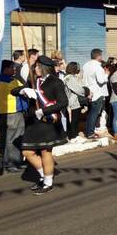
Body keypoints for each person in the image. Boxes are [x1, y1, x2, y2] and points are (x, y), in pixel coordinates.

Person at [18, 56, 69, 195]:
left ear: (44, 67)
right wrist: (22, 91)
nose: (35, 69)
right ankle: (43, 176)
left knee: (45, 152)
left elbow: (63, 102)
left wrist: (43, 111)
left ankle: (48, 182)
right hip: (33, 122)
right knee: (27, 152)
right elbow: (15, 90)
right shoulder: (34, 81)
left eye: (37, 66)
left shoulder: (55, 82)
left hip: (48, 122)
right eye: (35, 66)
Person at [0, 60, 27, 173]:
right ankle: (10, 163)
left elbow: (23, 87)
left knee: (17, 137)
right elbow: (20, 90)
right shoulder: (3, 82)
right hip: (10, 113)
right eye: (12, 67)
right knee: (11, 139)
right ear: (5, 69)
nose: (14, 69)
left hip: (16, 112)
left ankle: (17, 161)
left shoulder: (13, 80)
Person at [83, 49, 108, 139]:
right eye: (101, 55)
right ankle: (90, 132)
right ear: (99, 56)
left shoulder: (86, 65)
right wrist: (106, 75)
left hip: (87, 92)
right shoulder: (98, 67)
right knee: (94, 113)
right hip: (97, 93)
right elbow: (101, 80)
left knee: (90, 113)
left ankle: (88, 131)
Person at [63, 62, 89, 143]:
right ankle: (73, 137)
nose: (79, 69)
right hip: (72, 101)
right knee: (74, 120)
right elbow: (78, 89)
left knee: (75, 119)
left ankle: (74, 135)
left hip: (75, 101)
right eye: (77, 67)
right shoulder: (69, 78)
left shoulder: (72, 77)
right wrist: (87, 91)